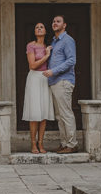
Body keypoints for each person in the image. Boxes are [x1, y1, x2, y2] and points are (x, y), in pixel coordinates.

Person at [43, 14, 78, 153]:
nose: (55, 23)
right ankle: (64, 143)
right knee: (59, 116)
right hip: (54, 82)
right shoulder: (54, 42)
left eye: (58, 21)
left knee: (66, 114)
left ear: (64, 25)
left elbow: (71, 61)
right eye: (53, 21)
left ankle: (72, 144)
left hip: (63, 81)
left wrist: (53, 71)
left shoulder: (68, 40)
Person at [21, 22, 54, 153]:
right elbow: (32, 65)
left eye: (42, 27)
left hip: (45, 78)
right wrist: (46, 56)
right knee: (35, 113)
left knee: (44, 113)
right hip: (34, 78)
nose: (39, 28)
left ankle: (41, 143)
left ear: (45, 31)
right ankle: (33, 144)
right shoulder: (31, 45)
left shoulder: (49, 46)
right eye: (37, 27)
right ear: (34, 31)